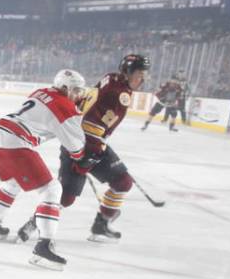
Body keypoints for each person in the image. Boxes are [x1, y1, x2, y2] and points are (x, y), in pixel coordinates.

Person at [26, 53, 149, 243]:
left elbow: (91, 110)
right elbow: (91, 125)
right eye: (140, 73)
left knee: (123, 182)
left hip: (90, 141)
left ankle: (101, 226)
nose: (143, 79)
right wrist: (90, 152)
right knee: (66, 197)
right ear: (128, 72)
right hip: (81, 144)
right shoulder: (120, 95)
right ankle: (34, 222)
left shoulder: (112, 78)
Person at [0, 69, 86, 270]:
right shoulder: (64, 105)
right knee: (52, 189)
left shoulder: (41, 92)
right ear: (64, 88)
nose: (78, 95)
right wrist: (81, 155)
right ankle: (43, 248)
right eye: (76, 90)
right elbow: (76, 149)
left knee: (13, 182)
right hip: (15, 143)